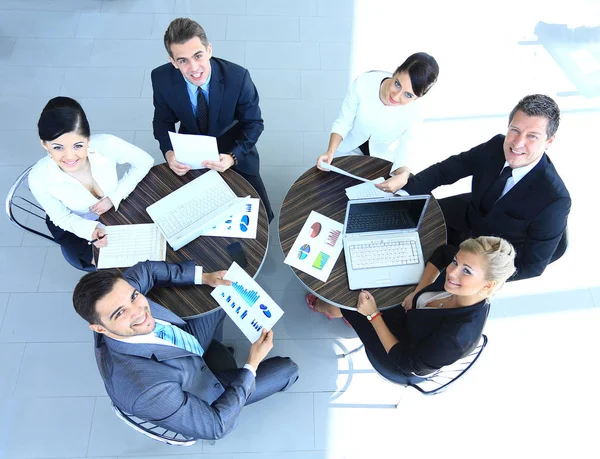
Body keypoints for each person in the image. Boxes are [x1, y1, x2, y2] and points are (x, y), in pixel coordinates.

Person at [72, 260, 299, 440]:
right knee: (287, 370)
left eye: (134, 296)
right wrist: (252, 364)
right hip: (201, 394)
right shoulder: (147, 391)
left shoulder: (117, 296)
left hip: (186, 343)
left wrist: (203, 277)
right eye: (120, 313)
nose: (139, 311)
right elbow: (215, 426)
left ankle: (213, 345)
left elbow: (147, 270)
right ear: (99, 328)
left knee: (225, 289)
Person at [378, 94, 571, 280]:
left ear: (548, 142)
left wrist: (472, 276)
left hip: (485, 258)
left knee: (417, 283)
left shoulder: (554, 199)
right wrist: (402, 195)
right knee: (400, 225)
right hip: (466, 216)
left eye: (532, 136)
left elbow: (531, 267)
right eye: (515, 130)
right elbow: (444, 171)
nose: (518, 143)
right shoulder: (496, 146)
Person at [312, 237, 515, 376]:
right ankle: (346, 314)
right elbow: (444, 252)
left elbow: (406, 362)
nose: (452, 272)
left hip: (398, 351)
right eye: (456, 262)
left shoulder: (454, 339)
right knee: (369, 286)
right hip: (412, 317)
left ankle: (330, 309)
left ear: (488, 285)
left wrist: (374, 315)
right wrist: (420, 290)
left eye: (467, 271)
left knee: (348, 302)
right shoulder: (461, 284)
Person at [151, 17, 274, 222]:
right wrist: (170, 152)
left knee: (260, 214)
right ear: (173, 61)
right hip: (191, 152)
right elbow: (162, 122)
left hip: (233, 148)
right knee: (198, 213)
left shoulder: (238, 77)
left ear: (209, 50)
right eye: (183, 60)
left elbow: (254, 123)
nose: (194, 68)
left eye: (198, 55)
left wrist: (233, 157)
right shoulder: (161, 79)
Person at [29, 97, 154, 269]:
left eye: (78, 145)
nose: (70, 156)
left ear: (88, 139)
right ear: (44, 144)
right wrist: (90, 230)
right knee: (120, 271)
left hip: (117, 210)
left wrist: (115, 196)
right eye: (58, 147)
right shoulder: (38, 177)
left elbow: (144, 161)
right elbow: (62, 218)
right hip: (75, 228)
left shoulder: (106, 144)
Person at [317, 52, 439, 174]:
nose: (396, 97)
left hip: (380, 161)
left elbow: (406, 148)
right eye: (397, 84)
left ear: (417, 98)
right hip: (347, 150)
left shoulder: (415, 112)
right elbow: (343, 121)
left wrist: (403, 174)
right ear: (395, 72)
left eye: (408, 95)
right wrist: (330, 151)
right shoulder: (364, 82)